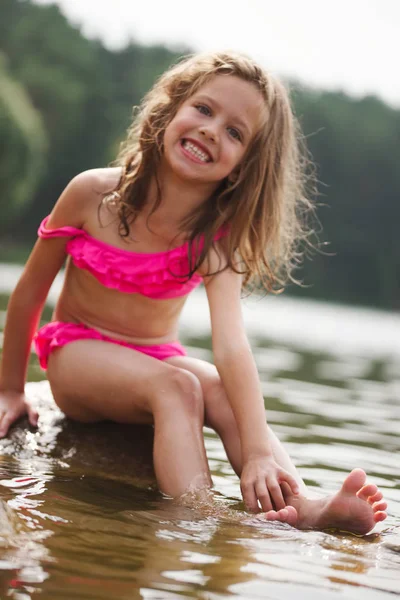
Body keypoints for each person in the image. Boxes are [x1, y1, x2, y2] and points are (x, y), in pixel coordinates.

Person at [0, 52, 387, 533]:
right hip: (77, 353)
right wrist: (11, 389)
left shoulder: (214, 237)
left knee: (216, 388)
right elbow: (30, 292)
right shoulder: (92, 194)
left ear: (243, 168)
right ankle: (199, 513)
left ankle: (299, 503)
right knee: (178, 388)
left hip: (155, 356)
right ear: (170, 110)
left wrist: (260, 452)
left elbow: (230, 346)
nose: (210, 130)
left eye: (234, 132)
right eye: (204, 110)